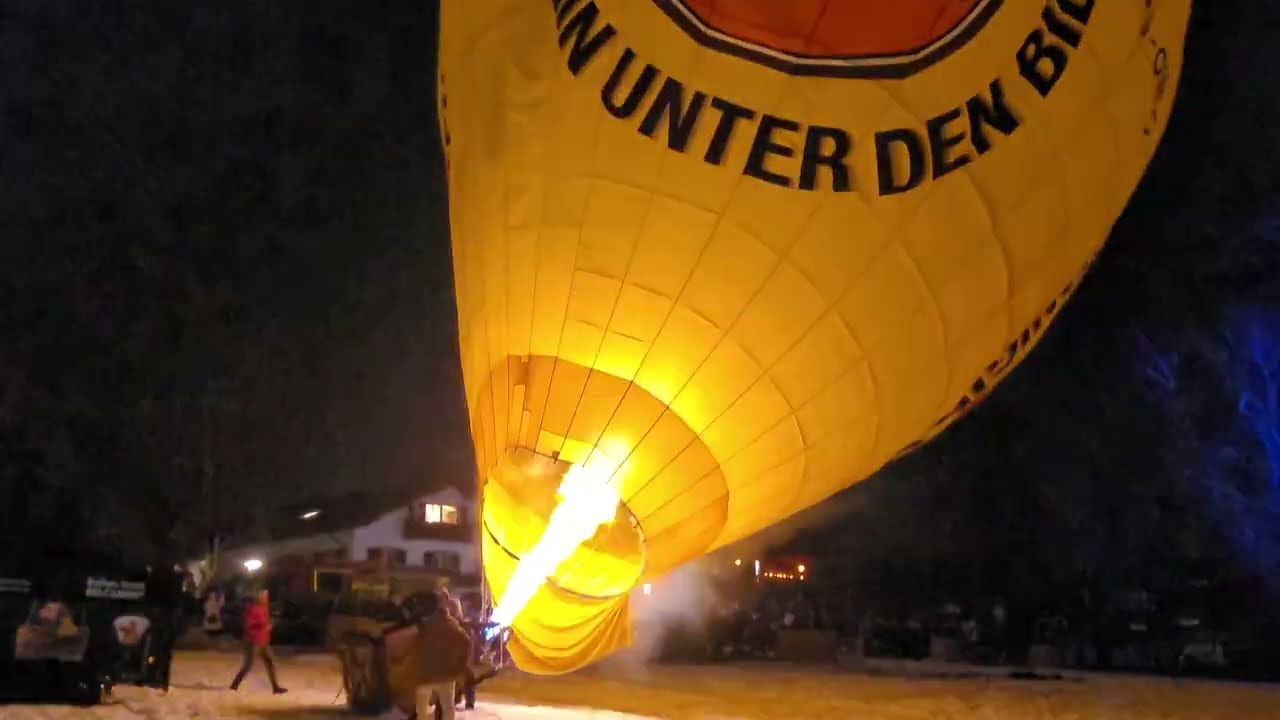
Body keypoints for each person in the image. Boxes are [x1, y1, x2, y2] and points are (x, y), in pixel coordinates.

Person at [391, 590, 471, 720]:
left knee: (422, 708)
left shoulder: (425, 626)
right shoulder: (453, 626)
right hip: (446, 674)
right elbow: (466, 643)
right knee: (448, 708)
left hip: (425, 674)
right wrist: (460, 666)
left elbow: (414, 645)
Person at [229, 589, 287, 694]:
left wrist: (268, 625)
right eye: (264, 596)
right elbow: (248, 625)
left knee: (270, 662)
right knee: (248, 665)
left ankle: (275, 687)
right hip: (253, 641)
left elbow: (263, 623)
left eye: (266, 596)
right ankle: (234, 686)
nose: (266, 598)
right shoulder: (252, 609)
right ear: (257, 597)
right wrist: (263, 625)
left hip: (263, 640)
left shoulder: (263, 608)